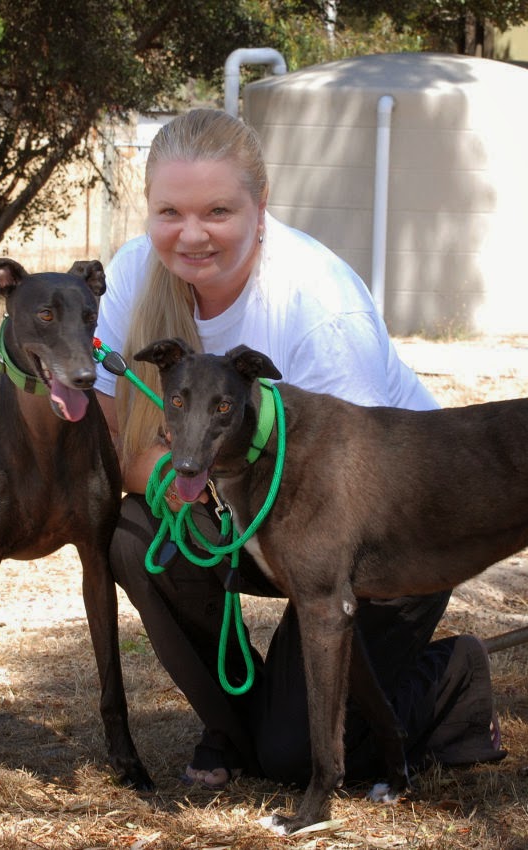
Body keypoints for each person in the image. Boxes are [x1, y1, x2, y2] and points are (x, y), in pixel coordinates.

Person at [93, 108, 504, 789]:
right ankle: (230, 726)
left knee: (289, 757)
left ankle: (450, 681)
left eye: (217, 210)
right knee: (132, 532)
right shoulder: (137, 270)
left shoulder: (315, 306)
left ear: (260, 208)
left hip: (378, 533)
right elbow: (105, 430)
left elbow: (360, 500)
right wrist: (163, 473)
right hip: (257, 514)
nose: (190, 235)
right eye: (170, 211)